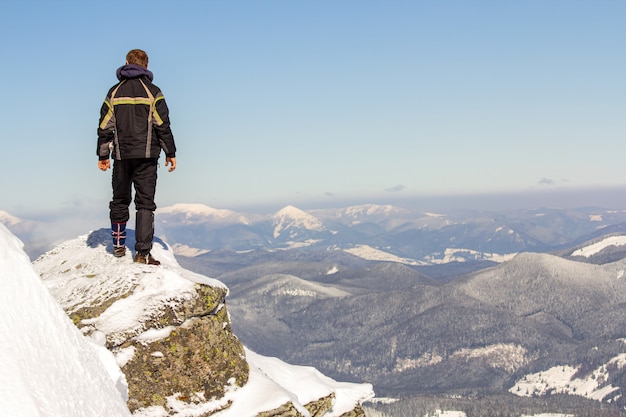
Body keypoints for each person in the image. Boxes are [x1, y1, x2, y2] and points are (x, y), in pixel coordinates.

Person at [97, 49, 177, 265]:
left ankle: (119, 246)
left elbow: (105, 127)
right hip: (147, 156)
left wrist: (103, 155)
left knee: (120, 199)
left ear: (126, 63)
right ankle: (142, 253)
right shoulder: (153, 92)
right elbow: (163, 125)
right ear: (147, 67)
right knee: (145, 203)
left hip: (122, 156)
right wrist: (170, 152)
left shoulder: (113, 93)